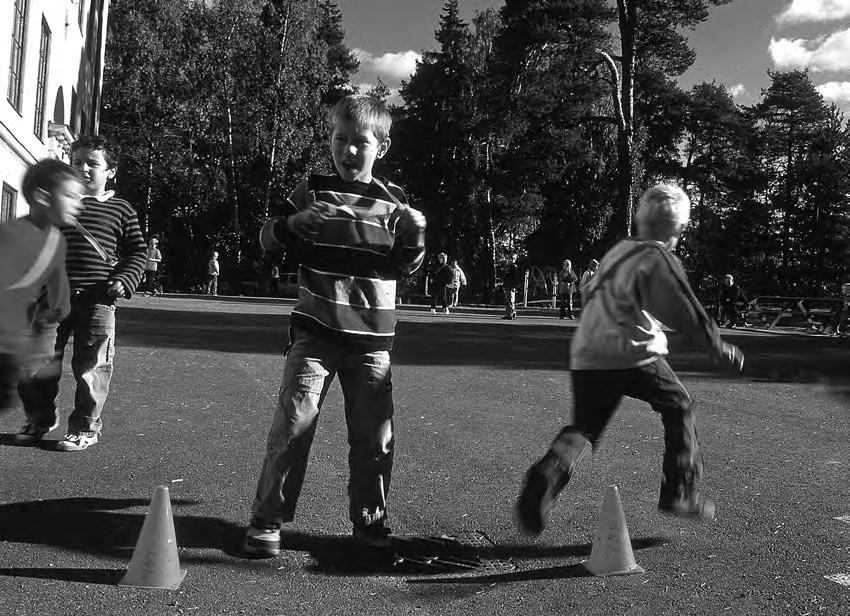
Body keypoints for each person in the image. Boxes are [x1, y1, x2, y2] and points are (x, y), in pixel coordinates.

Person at [244, 94, 426, 558]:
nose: (347, 151)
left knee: (374, 436)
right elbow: (267, 239)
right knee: (293, 422)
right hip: (315, 334)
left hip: (371, 344)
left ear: (380, 148)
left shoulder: (394, 203)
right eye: (339, 139)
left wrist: (416, 235)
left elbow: (407, 266)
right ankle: (268, 518)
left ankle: (369, 522)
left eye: (359, 143)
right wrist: (295, 223)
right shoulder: (313, 190)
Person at [516, 184, 744, 536]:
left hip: (589, 352)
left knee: (586, 427)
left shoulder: (618, 252)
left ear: (640, 220)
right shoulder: (658, 257)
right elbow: (684, 306)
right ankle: (679, 492)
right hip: (632, 351)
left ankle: (548, 472)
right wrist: (715, 344)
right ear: (679, 230)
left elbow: (593, 292)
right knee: (679, 404)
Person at [16, 136, 148, 451]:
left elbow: (137, 253)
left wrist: (124, 279)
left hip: (98, 299)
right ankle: (41, 418)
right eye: (77, 163)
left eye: (92, 163)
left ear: (111, 171)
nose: (83, 168)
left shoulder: (122, 209)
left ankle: (85, 426)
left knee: (92, 367)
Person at [1, 160, 82, 416]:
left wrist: (57, 312)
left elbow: (60, 296)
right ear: (42, 197)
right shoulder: (10, 236)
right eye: (70, 196)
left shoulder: (56, 241)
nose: (78, 204)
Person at [502, 252, 520, 320]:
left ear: (515, 259)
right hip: (507, 285)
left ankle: (511, 313)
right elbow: (505, 276)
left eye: (512, 259)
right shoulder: (508, 267)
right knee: (507, 300)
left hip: (511, 285)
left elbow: (516, 277)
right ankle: (508, 313)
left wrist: (515, 285)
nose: (511, 260)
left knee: (510, 300)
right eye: (510, 258)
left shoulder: (514, 267)